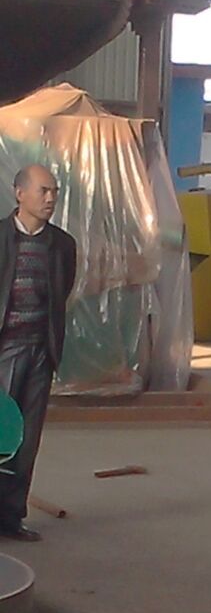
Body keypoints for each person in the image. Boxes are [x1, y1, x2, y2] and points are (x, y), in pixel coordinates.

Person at [0, 165, 77, 542]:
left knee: (27, 440)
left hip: (40, 351)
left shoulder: (62, 245)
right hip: (4, 349)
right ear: (20, 194)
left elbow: (62, 292)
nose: (50, 199)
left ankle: (10, 518)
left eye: (55, 192)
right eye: (43, 190)